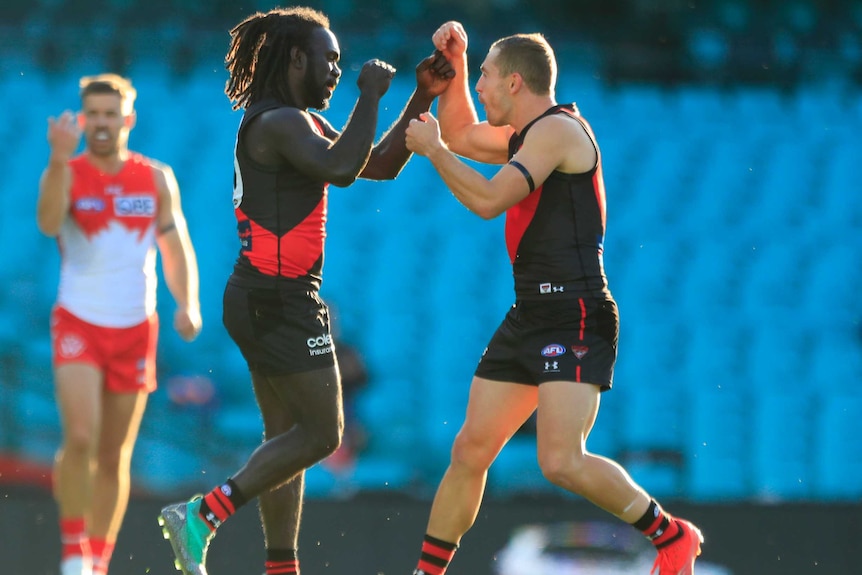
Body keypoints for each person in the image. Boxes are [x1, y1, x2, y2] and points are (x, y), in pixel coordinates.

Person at [157, 7, 453, 575]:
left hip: (264, 296)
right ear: (296, 58)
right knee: (322, 433)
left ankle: (280, 568)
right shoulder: (277, 122)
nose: (338, 70)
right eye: (330, 59)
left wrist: (421, 96)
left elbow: (380, 163)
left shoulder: (296, 123)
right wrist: (371, 94)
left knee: (284, 441)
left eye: (343, 63)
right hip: (279, 298)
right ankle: (204, 515)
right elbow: (343, 170)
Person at [403, 21, 703, 575]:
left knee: (561, 461)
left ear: (516, 83)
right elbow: (465, 132)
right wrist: (460, 64)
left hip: (576, 313)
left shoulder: (559, 132)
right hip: (531, 314)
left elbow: (490, 199)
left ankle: (672, 535)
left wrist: (434, 154)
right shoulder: (525, 134)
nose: (484, 89)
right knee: (470, 450)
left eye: (489, 79)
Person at [36, 73, 202, 575]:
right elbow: (47, 222)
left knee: (113, 455)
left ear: (128, 118)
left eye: (113, 114)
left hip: (135, 328)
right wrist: (59, 159)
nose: (103, 123)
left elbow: (175, 247)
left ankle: (97, 563)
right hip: (78, 323)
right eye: (94, 115)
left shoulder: (155, 178)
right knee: (81, 438)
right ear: (82, 119)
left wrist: (187, 303)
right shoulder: (68, 169)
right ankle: (72, 552)